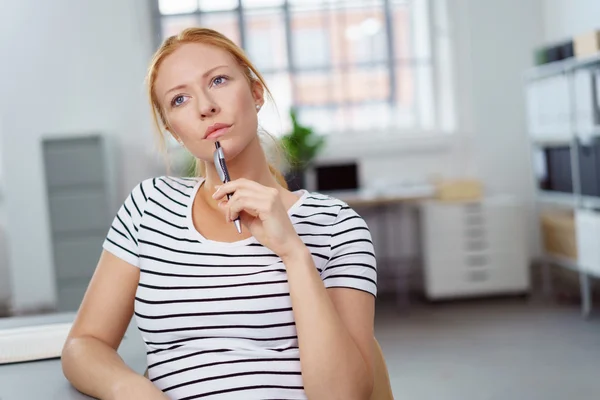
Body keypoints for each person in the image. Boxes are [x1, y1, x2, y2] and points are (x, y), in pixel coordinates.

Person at [61, 27, 377, 400]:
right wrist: (131, 388)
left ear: (256, 92)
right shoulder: (148, 207)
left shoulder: (336, 224)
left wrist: (293, 252)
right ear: (175, 132)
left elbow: (343, 395)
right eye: (179, 100)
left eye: (219, 80)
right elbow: (84, 343)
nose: (205, 106)